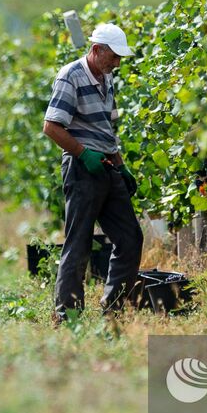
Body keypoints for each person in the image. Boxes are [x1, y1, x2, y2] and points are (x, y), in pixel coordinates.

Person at [41, 22, 143, 323]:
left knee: (130, 239)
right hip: (82, 169)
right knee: (79, 242)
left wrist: (121, 167)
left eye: (119, 57)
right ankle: (68, 316)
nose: (117, 63)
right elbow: (51, 126)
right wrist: (84, 155)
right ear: (96, 50)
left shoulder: (106, 78)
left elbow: (106, 130)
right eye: (113, 56)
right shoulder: (70, 76)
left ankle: (112, 312)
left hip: (107, 167)